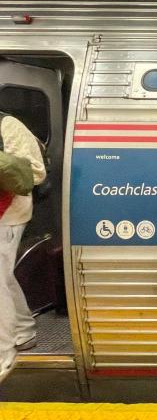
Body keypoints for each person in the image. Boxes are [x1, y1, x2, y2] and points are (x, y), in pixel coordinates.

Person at [0, 114, 46, 382]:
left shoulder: (8, 125)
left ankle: (4, 353)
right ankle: (24, 332)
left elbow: (35, 172)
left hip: (9, 213)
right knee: (3, 277)